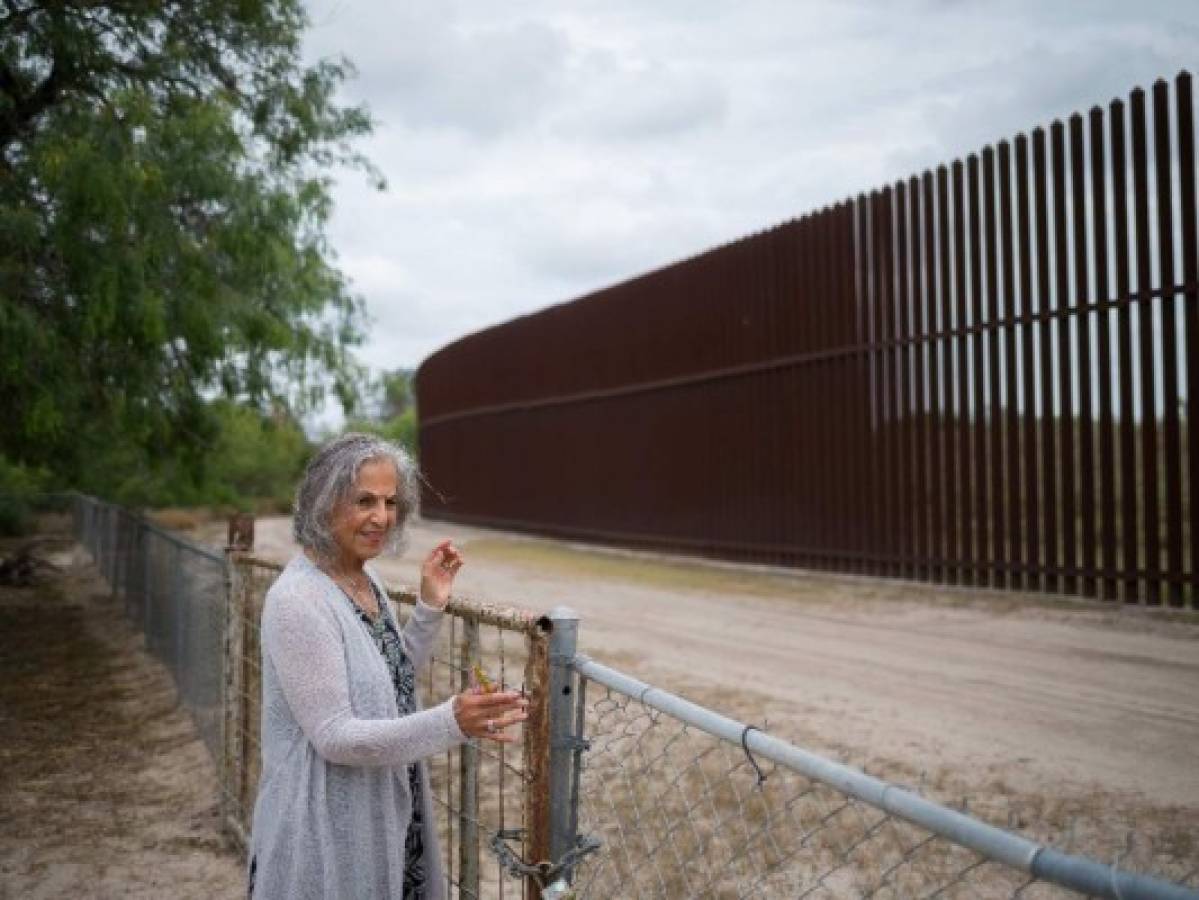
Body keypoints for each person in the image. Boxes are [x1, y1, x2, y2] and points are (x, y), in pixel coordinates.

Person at [247, 433, 528, 899]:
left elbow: (389, 680)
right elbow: (335, 735)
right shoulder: (298, 600)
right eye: (364, 501)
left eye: (390, 501)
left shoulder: (362, 575)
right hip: (326, 832)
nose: (382, 517)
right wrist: (450, 721)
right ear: (324, 503)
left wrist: (429, 607)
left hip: (383, 808)